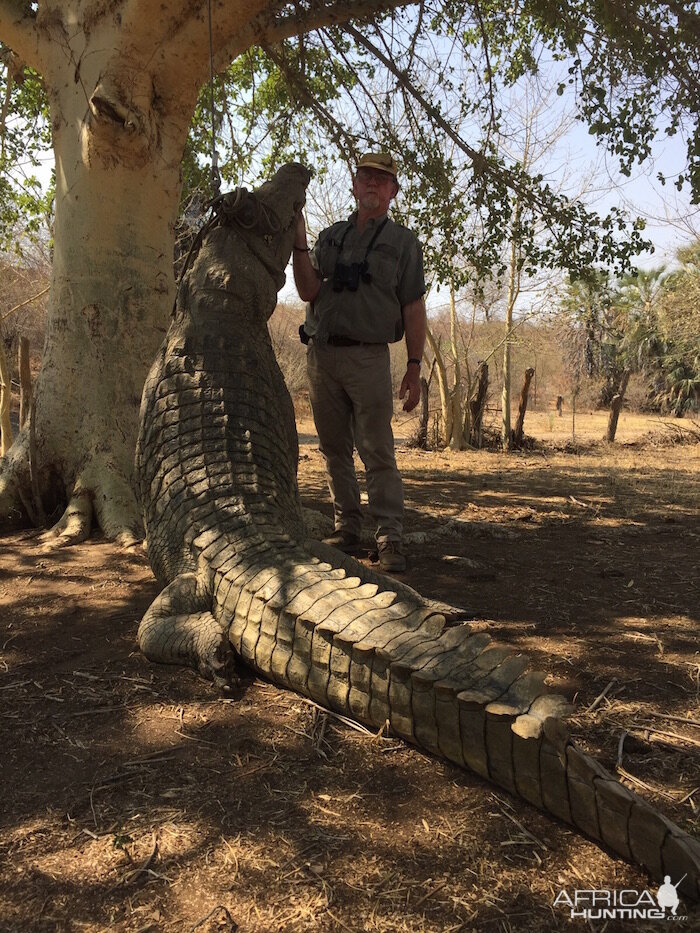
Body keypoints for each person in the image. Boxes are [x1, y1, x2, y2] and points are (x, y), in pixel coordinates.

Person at [292, 152, 427, 573]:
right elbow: (307, 290)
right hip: (322, 355)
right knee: (334, 448)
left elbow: (413, 306)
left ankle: (390, 538)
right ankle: (346, 528)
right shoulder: (329, 237)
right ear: (353, 184)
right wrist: (299, 240)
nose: (372, 183)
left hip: (369, 358)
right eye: (365, 176)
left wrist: (414, 365)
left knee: (377, 450)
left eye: (381, 179)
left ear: (393, 191)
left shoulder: (404, 243)